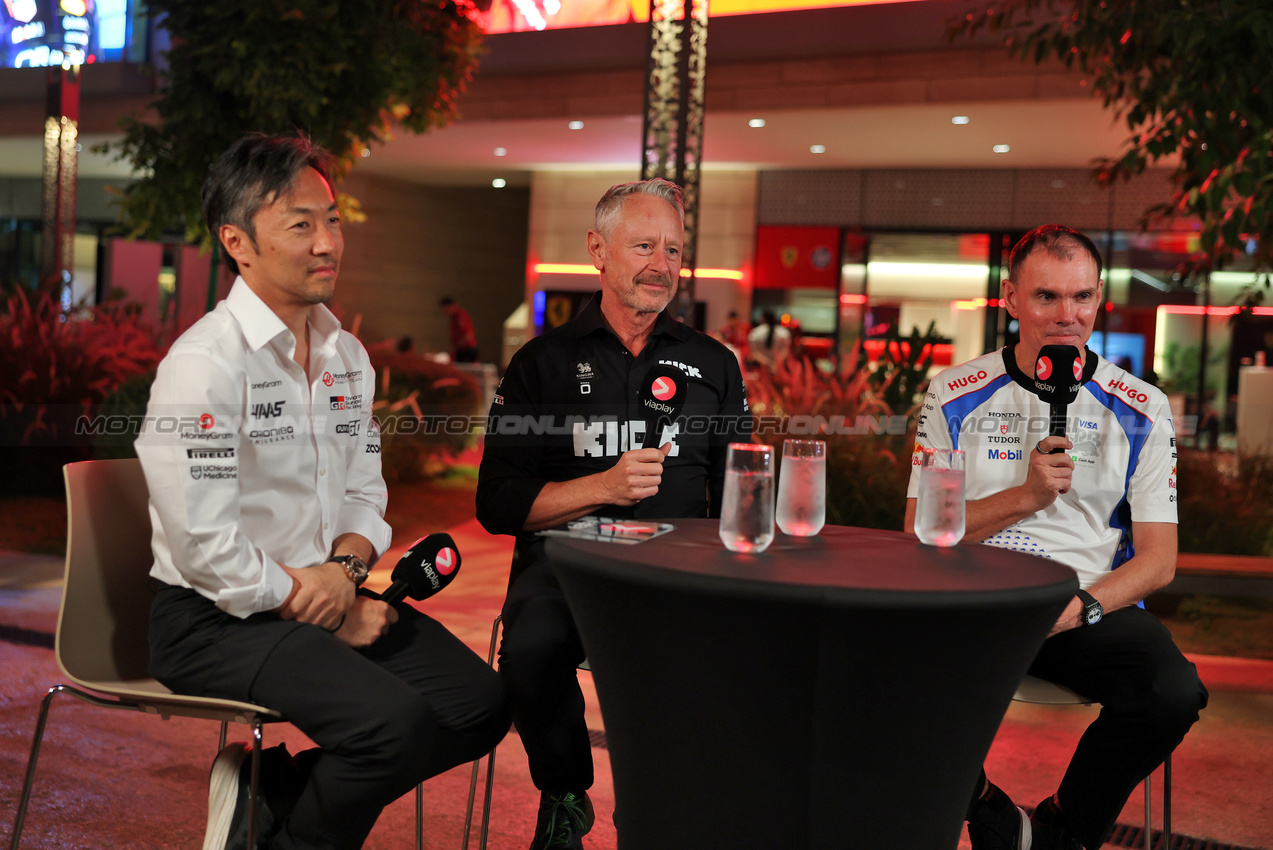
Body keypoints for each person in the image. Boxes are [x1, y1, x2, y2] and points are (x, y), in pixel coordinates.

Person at [136, 134, 508, 850]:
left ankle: (269, 797)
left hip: (325, 593)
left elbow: (365, 494)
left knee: (477, 706)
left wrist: (343, 574)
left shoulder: (345, 357)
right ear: (237, 243)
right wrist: (328, 613)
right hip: (212, 620)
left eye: (331, 220)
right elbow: (204, 545)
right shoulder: (205, 364)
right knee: (391, 725)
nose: (327, 242)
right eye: (300, 224)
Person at [906, 225, 1207, 850]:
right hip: (974, 606)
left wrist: (1079, 608)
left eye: (1082, 297)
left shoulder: (1142, 406)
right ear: (1011, 299)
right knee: (871, 674)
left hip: (1084, 607)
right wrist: (1026, 496)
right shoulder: (953, 393)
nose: (1067, 315)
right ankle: (989, 811)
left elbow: (1159, 560)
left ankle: (1059, 832)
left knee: (1173, 692)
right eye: (1047, 296)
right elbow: (919, 530)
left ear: (1098, 299)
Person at [476, 178, 752, 849]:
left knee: (721, 664)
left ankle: (658, 814)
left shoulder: (713, 364)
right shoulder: (541, 364)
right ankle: (565, 794)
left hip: (676, 570)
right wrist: (600, 486)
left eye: (673, 250)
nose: (662, 264)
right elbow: (498, 503)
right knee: (531, 650)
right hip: (567, 564)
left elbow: (740, 491)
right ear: (597, 251)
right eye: (644, 246)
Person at [441, 295, 480, 362]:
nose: (445, 312)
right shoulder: (453, 319)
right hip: (460, 351)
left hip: (467, 351)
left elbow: (468, 335)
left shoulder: (461, 317)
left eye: (446, 309)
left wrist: (457, 347)